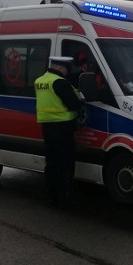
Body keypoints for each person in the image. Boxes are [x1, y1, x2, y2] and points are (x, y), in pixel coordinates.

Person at [34, 56, 82, 206]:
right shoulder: (59, 82)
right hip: (63, 127)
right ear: (61, 68)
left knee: (51, 162)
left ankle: (51, 195)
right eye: (66, 69)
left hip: (47, 127)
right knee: (65, 163)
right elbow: (73, 104)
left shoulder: (40, 80)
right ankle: (64, 198)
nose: (67, 72)